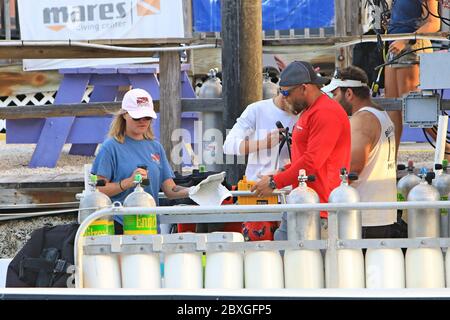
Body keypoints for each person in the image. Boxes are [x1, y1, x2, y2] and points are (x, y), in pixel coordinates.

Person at [251, 61, 351, 239]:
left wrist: (275, 182)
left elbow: (312, 161)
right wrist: (282, 172)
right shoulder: (310, 111)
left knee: (300, 261)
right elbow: (306, 158)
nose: (283, 98)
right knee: (285, 251)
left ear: (304, 88)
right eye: (280, 92)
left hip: (320, 208)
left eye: (286, 93)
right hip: (305, 201)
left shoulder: (325, 112)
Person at [322, 66, 406, 238]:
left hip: (365, 217)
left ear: (349, 94)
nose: (333, 100)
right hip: (382, 213)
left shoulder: (362, 120)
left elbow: (352, 169)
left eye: (335, 94)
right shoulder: (381, 114)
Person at [91, 88, 190, 233]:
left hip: (149, 225)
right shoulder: (110, 147)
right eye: (137, 117)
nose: (143, 121)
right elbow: (98, 190)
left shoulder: (155, 147)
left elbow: (170, 189)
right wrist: (127, 183)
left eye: (147, 117)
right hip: (120, 226)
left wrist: (195, 190)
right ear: (124, 115)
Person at [385, 0, 441, 159]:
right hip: (393, 45)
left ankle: (445, 147)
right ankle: (391, 159)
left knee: (412, 105)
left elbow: (434, 23)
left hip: (413, 46)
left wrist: (405, 39)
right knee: (391, 106)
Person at [223, 92, 298, 181]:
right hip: (258, 188)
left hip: (292, 188)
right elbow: (229, 145)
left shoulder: (305, 113)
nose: (301, 106)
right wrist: (263, 144)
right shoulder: (256, 110)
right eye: (297, 101)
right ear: (284, 93)